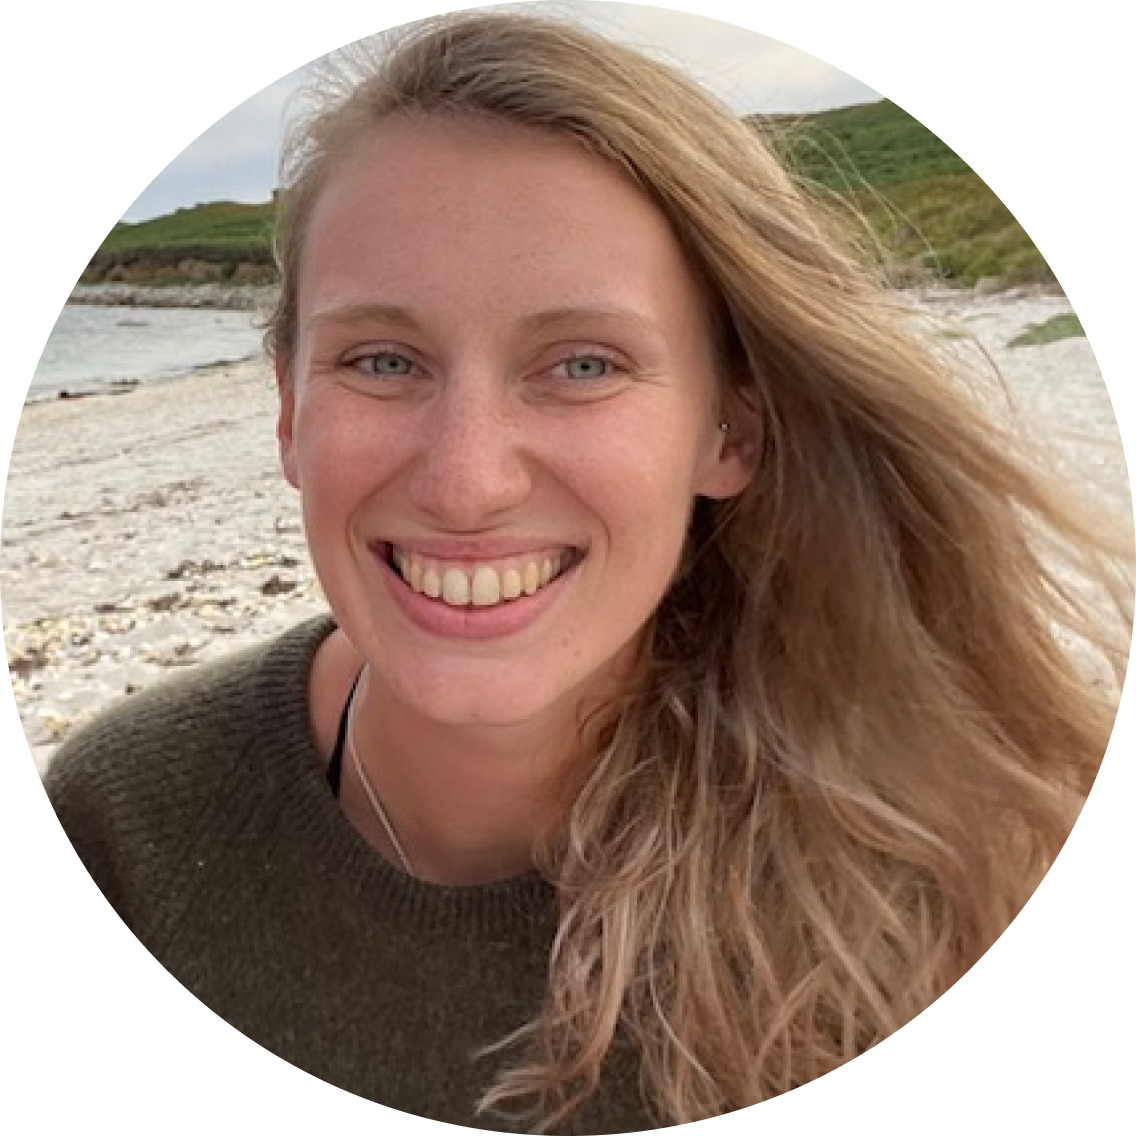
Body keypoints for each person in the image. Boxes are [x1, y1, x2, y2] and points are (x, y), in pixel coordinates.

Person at [43, 12, 1132, 1132]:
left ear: (728, 428)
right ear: (286, 409)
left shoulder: (944, 866)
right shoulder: (122, 826)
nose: (465, 482)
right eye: (380, 358)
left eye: (580, 363)